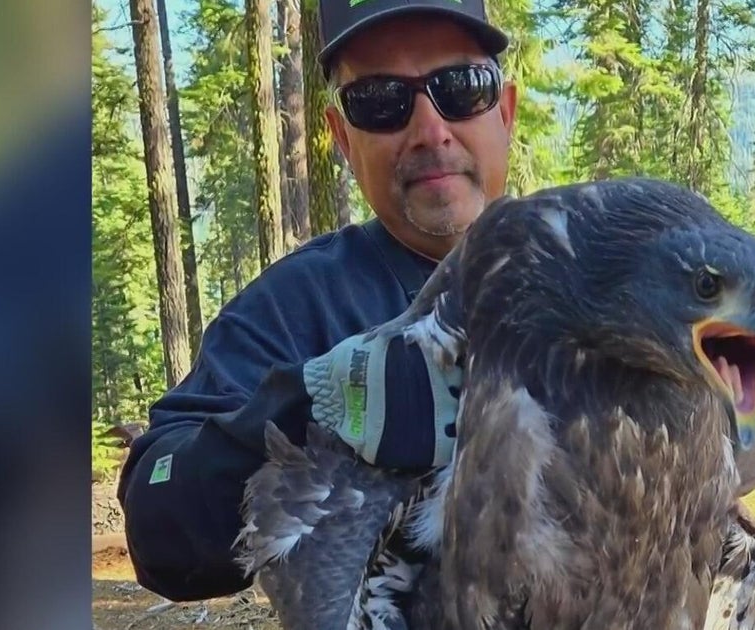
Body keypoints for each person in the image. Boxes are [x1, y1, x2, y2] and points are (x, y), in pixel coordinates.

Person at [117, 0, 517, 601]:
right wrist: (322, 409)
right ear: (341, 138)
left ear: (504, 110)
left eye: (461, 87)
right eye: (381, 101)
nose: (431, 129)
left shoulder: (603, 276)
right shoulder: (295, 307)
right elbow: (159, 523)